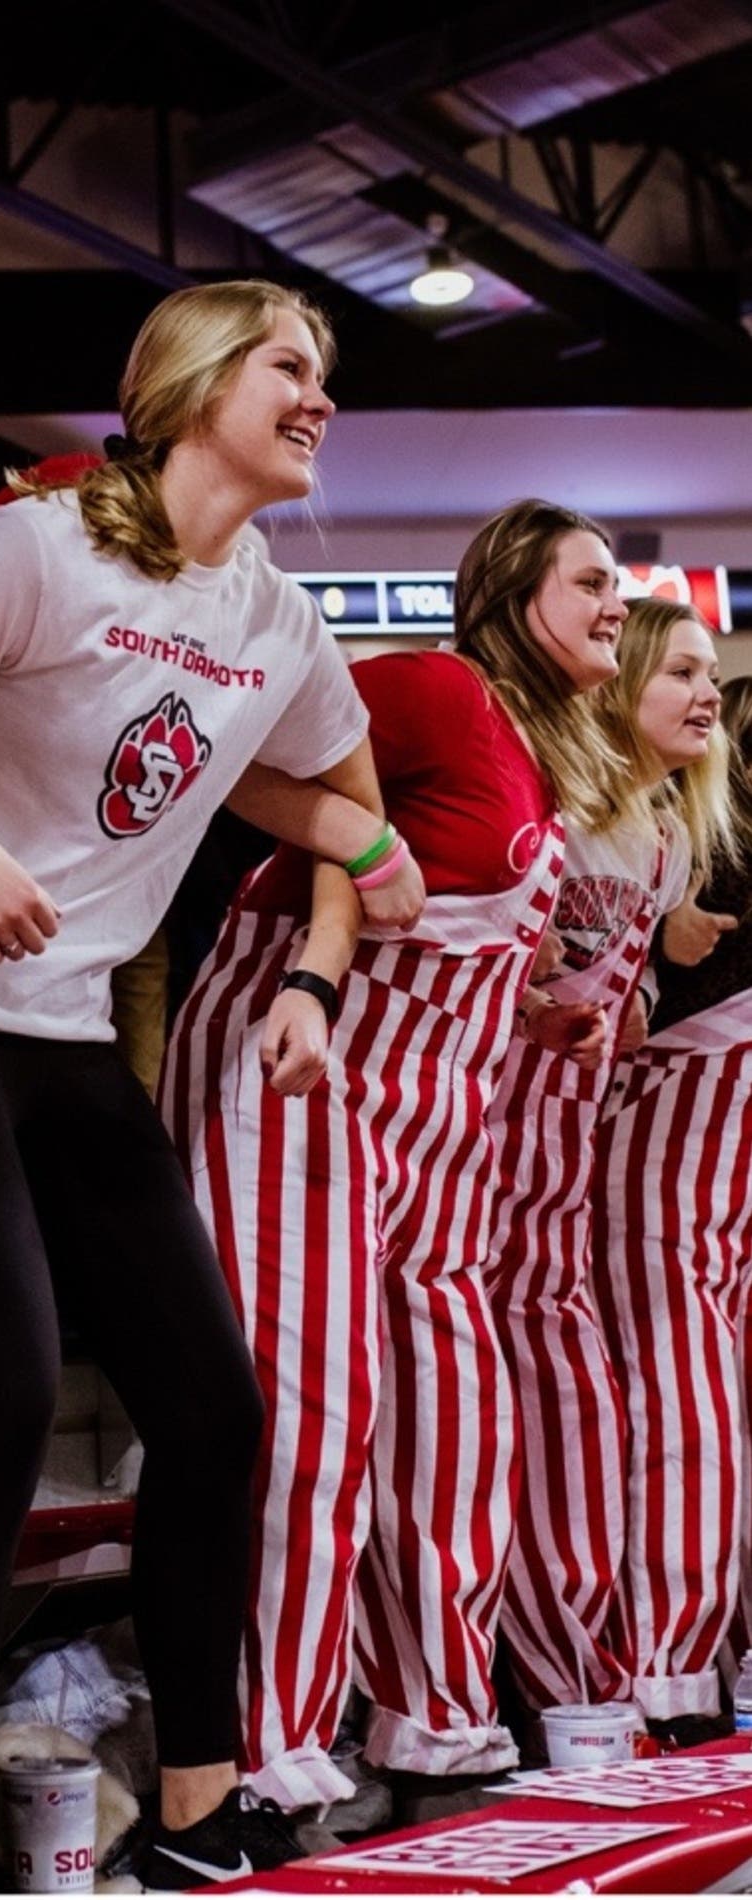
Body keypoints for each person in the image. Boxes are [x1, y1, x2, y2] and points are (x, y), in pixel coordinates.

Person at [0, 278, 424, 1893]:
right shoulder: (28, 552)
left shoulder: (277, 616)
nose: (320, 398)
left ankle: (204, 1818)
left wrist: (315, 973)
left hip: (71, 1040)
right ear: (197, 382)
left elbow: (350, 814)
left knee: (215, 1415)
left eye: (326, 373)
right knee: (3, 1397)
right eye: (291, 366)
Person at [161, 499, 627, 1822]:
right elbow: (234, 756)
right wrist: (342, 884)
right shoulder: (432, 687)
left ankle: (435, 1722)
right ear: (509, 590)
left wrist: (536, 1005)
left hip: (438, 1124)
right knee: (315, 1424)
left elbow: (447, 917)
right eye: (591, 579)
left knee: (456, 1429)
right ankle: (268, 1750)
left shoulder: (539, 752)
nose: (616, 603)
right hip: (307, 1078)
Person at [485, 598, 730, 1725]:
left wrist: (625, 995)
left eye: (708, 670)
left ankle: (639, 1675)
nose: (705, 690)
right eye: (677, 669)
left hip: (562, 1161)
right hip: (473, 1146)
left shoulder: (673, 836)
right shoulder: (548, 807)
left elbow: (605, 997)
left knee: (637, 1387)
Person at [589, 669, 751, 1741]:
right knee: (700, 1362)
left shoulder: (692, 817)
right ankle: (697, 1656)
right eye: (679, 670)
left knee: (674, 1364)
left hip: (698, 1063)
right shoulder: (651, 815)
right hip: (706, 1061)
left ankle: (674, 1664)